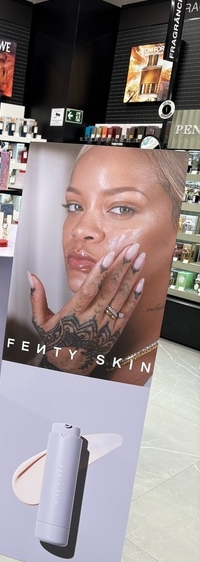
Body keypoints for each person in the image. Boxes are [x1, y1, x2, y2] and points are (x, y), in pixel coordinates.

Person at [26, 145, 187, 386]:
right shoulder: (59, 340)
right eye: (75, 206)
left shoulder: (174, 384)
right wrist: (56, 365)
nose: (80, 230)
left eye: (121, 209)